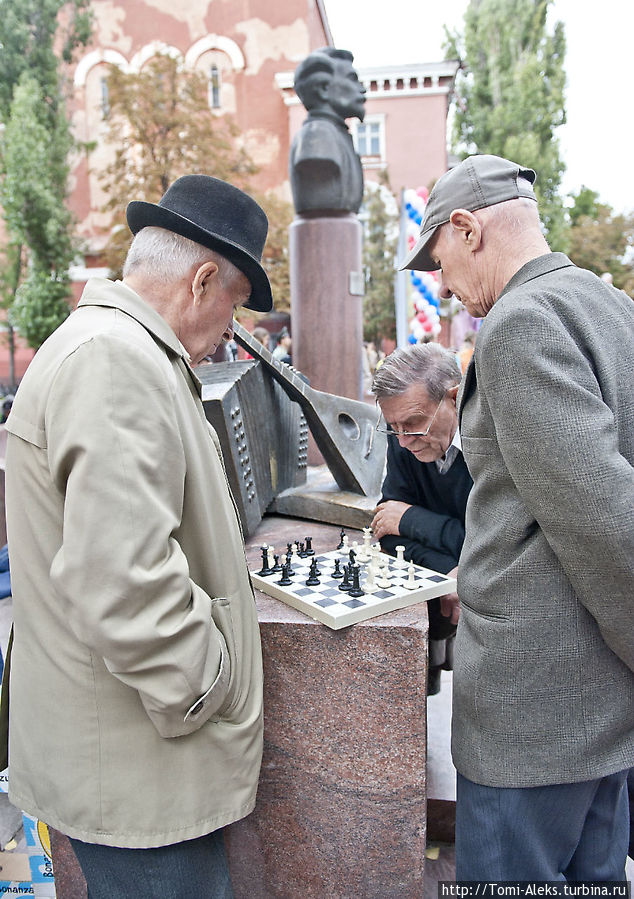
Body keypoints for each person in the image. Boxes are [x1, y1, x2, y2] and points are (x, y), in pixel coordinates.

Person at [2, 174, 274, 898]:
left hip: (128, 759)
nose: (230, 327)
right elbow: (123, 576)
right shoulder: (115, 361)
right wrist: (207, 681)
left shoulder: (117, 349)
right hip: (137, 773)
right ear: (203, 280)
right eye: (235, 303)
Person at [401, 154, 634, 881]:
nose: (443, 285)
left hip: (535, 725)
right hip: (599, 715)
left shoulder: (518, 323)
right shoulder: (610, 305)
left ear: (467, 228)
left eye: (439, 259)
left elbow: (604, 522)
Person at [370, 343, 471, 694]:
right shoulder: (403, 435)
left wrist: (414, 520)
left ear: (454, 399)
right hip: (446, 600)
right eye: (392, 426)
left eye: (414, 423)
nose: (402, 441)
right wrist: (450, 570)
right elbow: (386, 529)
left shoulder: (490, 440)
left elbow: (499, 541)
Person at [290, 47, 365, 215]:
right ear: (323, 88)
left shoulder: (338, 135)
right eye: (353, 79)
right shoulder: (317, 135)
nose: (362, 89)